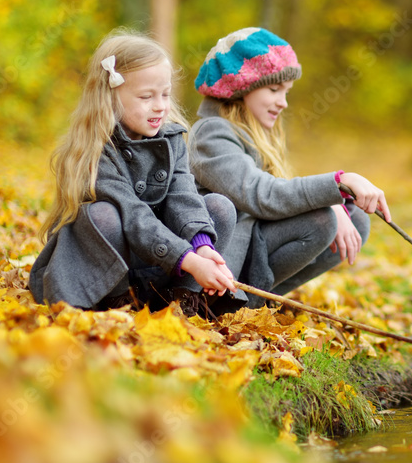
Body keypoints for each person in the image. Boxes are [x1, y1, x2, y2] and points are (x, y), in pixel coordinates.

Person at [29, 30, 237, 315]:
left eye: (165, 94)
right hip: (113, 265)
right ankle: (119, 301)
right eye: (146, 96)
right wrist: (189, 259)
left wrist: (201, 246)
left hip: (163, 265)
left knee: (219, 208)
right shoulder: (95, 149)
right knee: (102, 214)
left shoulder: (171, 138)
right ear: (111, 97)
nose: (160, 106)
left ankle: (183, 300)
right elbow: (134, 216)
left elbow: (183, 195)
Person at [187, 27, 390, 311]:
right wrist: (338, 184)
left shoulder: (253, 133)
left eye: (287, 92)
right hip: (219, 264)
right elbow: (260, 194)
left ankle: (256, 302)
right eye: (273, 89)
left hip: (251, 245)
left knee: (355, 220)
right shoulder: (211, 134)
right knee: (322, 220)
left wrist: (334, 203)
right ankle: (227, 305)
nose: (283, 102)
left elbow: (276, 192)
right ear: (241, 86)